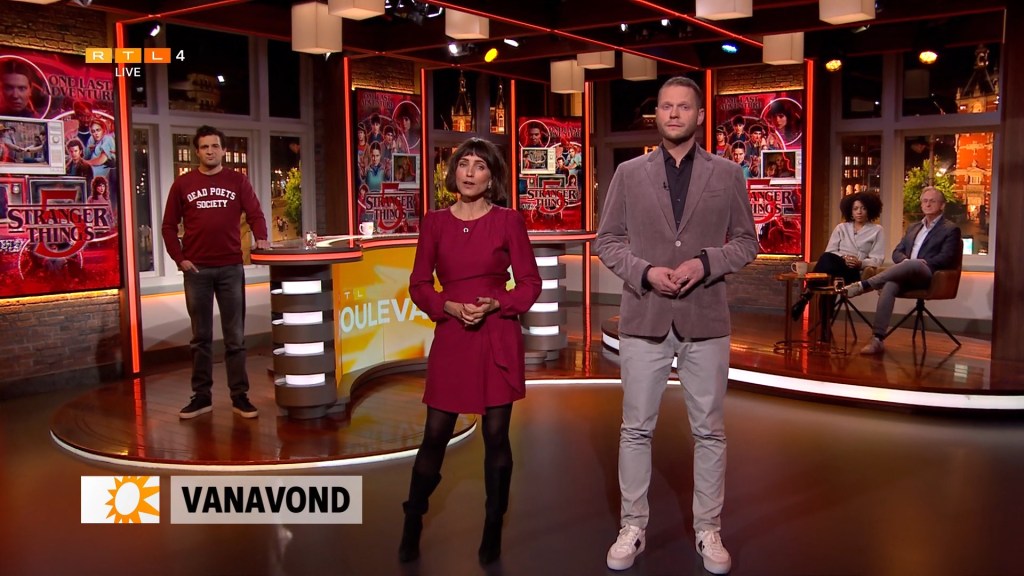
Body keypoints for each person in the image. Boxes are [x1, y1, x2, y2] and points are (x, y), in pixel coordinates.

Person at [594, 76, 758, 574]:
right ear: (657, 114)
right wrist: (645, 272)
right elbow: (607, 241)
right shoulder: (629, 172)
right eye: (666, 106)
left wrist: (704, 263)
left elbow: (746, 242)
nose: (673, 114)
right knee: (635, 429)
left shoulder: (727, 173)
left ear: (699, 115)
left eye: (683, 106)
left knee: (709, 431)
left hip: (704, 318)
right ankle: (632, 525)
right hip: (644, 315)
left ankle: (708, 529)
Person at [400, 137, 541, 565]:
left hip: (496, 334)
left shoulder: (508, 221)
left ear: (491, 178)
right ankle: (413, 517)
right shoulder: (435, 223)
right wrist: (447, 306)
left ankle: (493, 524)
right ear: (454, 172)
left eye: (480, 166)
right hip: (453, 335)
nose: (470, 172)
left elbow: (530, 283)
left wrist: (500, 303)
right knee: (435, 434)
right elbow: (419, 284)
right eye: (464, 163)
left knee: (496, 436)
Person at [160, 125, 270, 419]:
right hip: (197, 270)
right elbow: (168, 226)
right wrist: (179, 258)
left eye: (215, 146)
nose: (210, 151)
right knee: (201, 338)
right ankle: (201, 397)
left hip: (231, 268)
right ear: (197, 151)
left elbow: (256, 213)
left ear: (224, 150)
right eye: (204, 146)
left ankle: (240, 397)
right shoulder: (183, 184)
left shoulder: (237, 181)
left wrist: (261, 237)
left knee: (235, 338)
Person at [843, 186, 962, 355]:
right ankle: (877, 339)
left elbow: (947, 258)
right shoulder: (913, 227)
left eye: (932, 201)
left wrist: (921, 263)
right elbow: (897, 252)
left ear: (942, 205)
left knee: (914, 264)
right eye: (925, 201)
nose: (928, 204)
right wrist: (905, 263)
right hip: (906, 273)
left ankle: (865, 285)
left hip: (929, 275)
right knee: (890, 285)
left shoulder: (950, 229)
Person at [790, 191, 885, 321]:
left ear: (870, 210)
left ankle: (806, 296)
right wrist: (843, 258)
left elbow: (877, 260)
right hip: (836, 268)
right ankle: (825, 328)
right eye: (855, 208)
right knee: (829, 274)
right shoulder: (841, 228)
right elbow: (830, 251)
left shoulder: (877, 230)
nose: (859, 212)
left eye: (863, 208)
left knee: (827, 268)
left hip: (854, 272)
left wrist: (860, 263)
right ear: (850, 211)